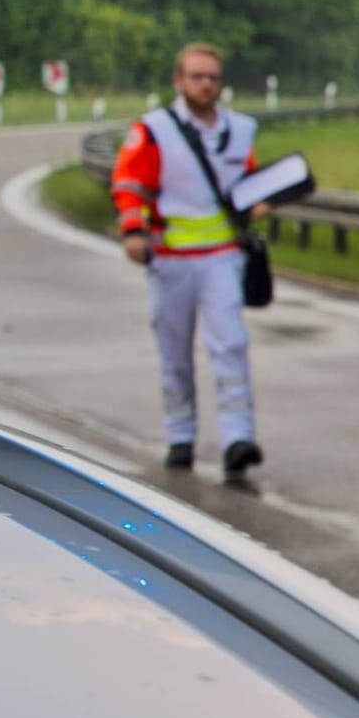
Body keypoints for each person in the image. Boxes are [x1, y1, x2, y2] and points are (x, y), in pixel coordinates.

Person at [111, 43, 271, 489]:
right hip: (170, 259)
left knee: (231, 345)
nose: (206, 84)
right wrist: (133, 231)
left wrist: (257, 203)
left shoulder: (240, 130)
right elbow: (128, 183)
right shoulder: (154, 130)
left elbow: (246, 181)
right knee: (175, 353)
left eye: (213, 78)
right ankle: (180, 436)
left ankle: (238, 441)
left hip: (222, 256)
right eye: (197, 76)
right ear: (179, 81)